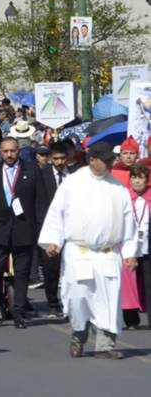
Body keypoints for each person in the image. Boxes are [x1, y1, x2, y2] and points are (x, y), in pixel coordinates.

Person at [39, 142, 138, 359]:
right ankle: (78, 336)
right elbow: (57, 213)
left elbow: (128, 221)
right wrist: (53, 241)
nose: (111, 163)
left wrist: (130, 252)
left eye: (111, 159)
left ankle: (105, 345)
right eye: (106, 160)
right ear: (92, 160)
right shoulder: (73, 183)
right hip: (79, 252)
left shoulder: (117, 187)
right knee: (79, 298)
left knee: (109, 299)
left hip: (107, 254)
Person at [0, 136, 47, 328]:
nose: (9, 155)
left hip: (24, 227)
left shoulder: (32, 170)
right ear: (0, 152)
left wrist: (43, 227)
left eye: (13, 151)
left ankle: (18, 311)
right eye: (5, 151)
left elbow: (40, 201)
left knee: (22, 272)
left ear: (19, 151)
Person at [39, 142, 72, 317]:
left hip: (71, 228)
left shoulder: (73, 176)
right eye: (56, 158)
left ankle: (70, 303)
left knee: (70, 268)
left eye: (62, 158)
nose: (59, 162)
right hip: (50, 227)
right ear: (50, 158)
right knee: (50, 268)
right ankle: (53, 302)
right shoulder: (42, 175)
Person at [121, 164, 150, 329]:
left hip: (146, 246)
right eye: (134, 177)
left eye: (141, 178)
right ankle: (131, 319)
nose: (137, 181)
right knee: (128, 284)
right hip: (128, 247)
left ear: (146, 180)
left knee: (148, 284)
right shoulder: (124, 196)